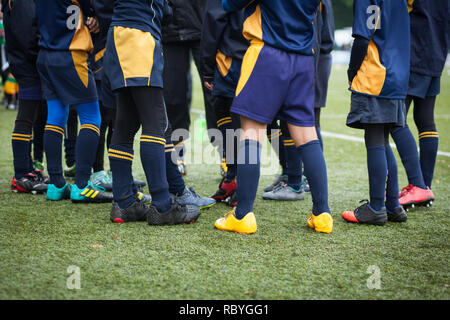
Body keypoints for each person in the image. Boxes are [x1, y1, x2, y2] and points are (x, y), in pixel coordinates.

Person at [214, 0, 333, 234]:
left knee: (252, 131)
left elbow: (229, 4)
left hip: (267, 53)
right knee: (307, 134)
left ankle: (243, 215)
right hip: (303, 58)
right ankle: (322, 213)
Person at [103, 0, 202, 225]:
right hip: (139, 34)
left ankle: (124, 202)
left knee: (125, 124)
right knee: (155, 123)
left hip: (118, 33)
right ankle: (162, 205)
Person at [35, 0, 113, 203]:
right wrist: (95, 16)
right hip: (71, 53)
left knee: (56, 116)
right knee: (91, 118)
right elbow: (95, 6)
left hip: (45, 54)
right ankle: (81, 186)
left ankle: (56, 184)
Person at [341, 0, 409, 225]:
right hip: (397, 74)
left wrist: (352, 72)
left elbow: (362, 37)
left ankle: (376, 207)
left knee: (374, 138)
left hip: (376, 75)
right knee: (383, 139)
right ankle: (392, 206)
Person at [390, 0, 448, 209]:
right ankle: (425, 188)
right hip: (437, 53)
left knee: (395, 118)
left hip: (415, 52)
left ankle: (418, 184)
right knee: (425, 120)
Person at [200, 0, 249, 207]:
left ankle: (238, 180)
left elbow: (214, 20)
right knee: (244, 119)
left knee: (231, 116)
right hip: (259, 54)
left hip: (232, 57)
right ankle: (232, 177)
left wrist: (206, 66)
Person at [162, 0, 216, 175]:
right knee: (173, 96)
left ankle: (227, 156)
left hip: (203, 25)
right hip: (169, 30)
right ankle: (177, 153)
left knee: (216, 94)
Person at [2, 0, 47, 194]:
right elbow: (26, 32)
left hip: (25, 60)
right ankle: (21, 174)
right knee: (26, 116)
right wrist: (39, 54)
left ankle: (27, 170)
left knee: (32, 115)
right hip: (27, 63)